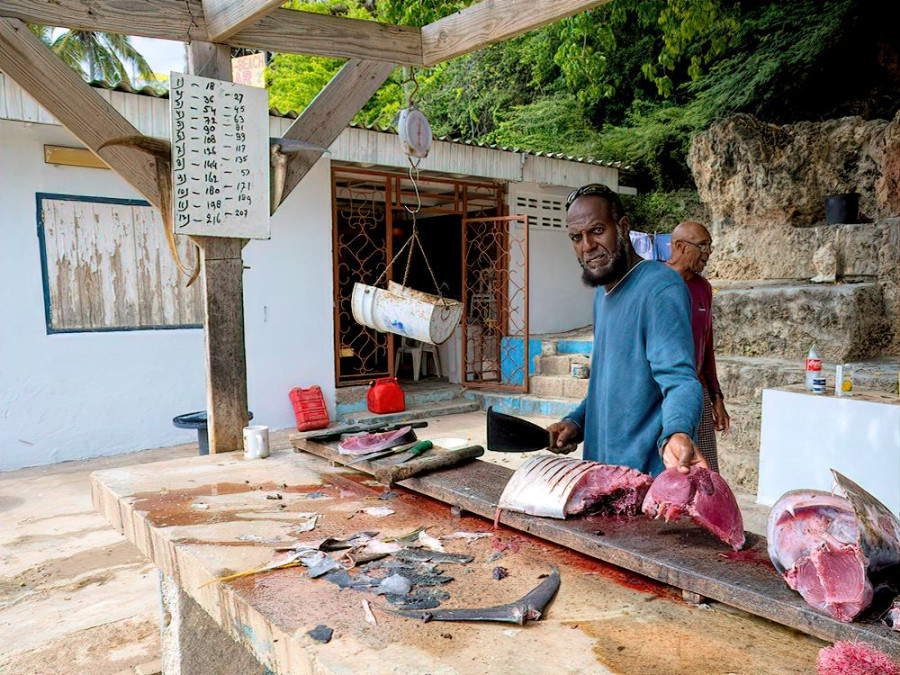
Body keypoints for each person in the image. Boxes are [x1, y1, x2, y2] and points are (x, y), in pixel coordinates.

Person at [547, 184, 705, 476]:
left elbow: (680, 380)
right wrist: (576, 422)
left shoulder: (660, 288)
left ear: (622, 227)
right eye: (576, 237)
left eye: (596, 231)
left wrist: (678, 432)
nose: (587, 246)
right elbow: (611, 385)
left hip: (644, 485)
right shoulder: (602, 293)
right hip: (601, 476)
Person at [666, 221, 731, 473]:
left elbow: (707, 345)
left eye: (710, 246)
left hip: (698, 392)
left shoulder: (703, 288)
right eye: (702, 245)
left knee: (705, 472)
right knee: (671, 468)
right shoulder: (655, 282)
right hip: (664, 393)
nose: (708, 252)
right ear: (680, 246)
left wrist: (716, 397)